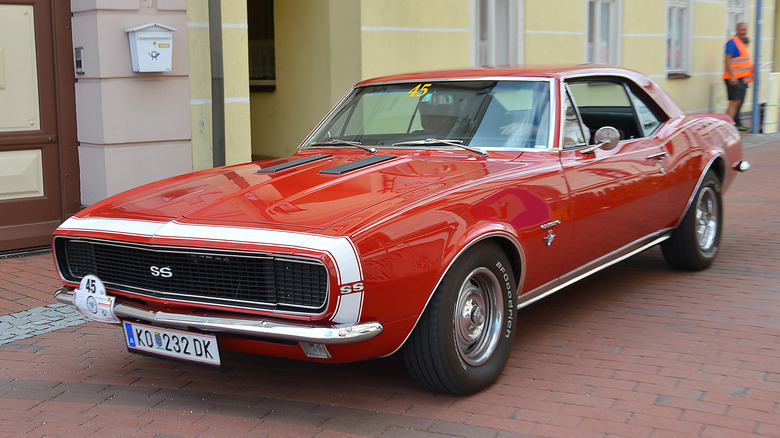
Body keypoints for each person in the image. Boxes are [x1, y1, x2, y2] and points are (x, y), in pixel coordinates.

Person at [723, 22, 753, 131]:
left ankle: (731, 125)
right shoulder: (732, 42)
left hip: (740, 78)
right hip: (732, 78)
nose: (743, 32)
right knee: (734, 102)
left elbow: (742, 61)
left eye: (745, 30)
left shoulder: (742, 42)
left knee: (737, 102)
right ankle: (726, 127)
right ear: (736, 30)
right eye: (741, 30)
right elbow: (727, 60)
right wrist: (732, 76)